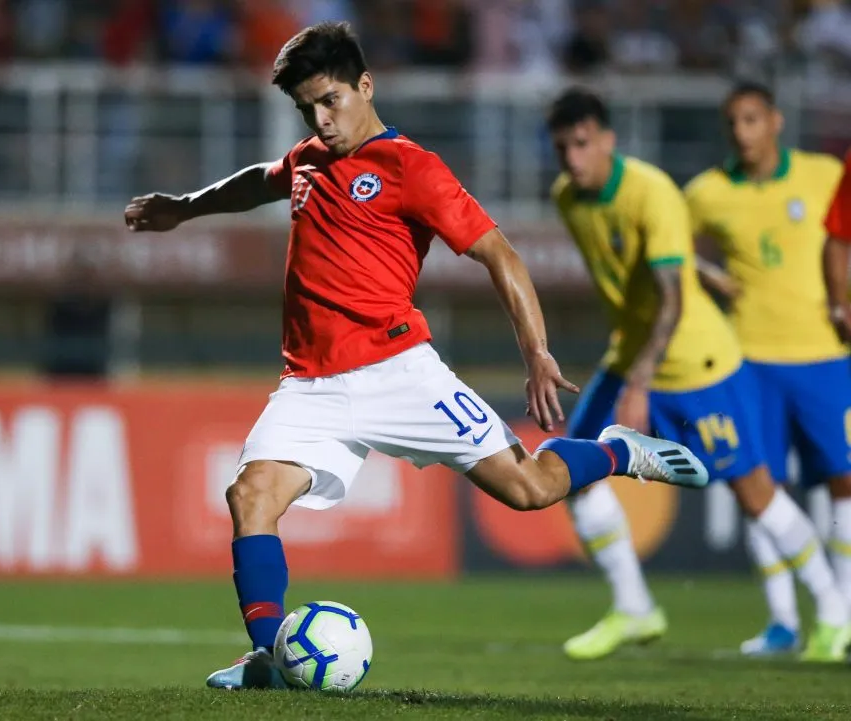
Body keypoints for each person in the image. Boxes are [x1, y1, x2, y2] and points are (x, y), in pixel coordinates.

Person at [124, 23, 710, 690]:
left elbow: (500, 255)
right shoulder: (310, 158)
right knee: (249, 496)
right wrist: (185, 207)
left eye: (331, 100)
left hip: (399, 373)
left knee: (530, 489)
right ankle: (268, 656)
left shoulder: (412, 167)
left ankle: (616, 450)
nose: (321, 118)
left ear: (366, 86)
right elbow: (259, 181)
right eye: (307, 108)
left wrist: (537, 352)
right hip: (310, 384)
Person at [547, 87, 851, 663]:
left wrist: (640, 381)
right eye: (562, 147)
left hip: (698, 363)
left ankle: (833, 614)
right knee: (571, 467)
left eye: (582, 145)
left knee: (757, 493)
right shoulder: (568, 198)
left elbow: (672, 302)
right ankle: (634, 607)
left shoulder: (652, 191)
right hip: (631, 356)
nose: (572, 159)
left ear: (608, 140)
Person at [688, 83, 851, 657]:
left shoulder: (824, 173)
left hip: (826, 354)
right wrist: (710, 276)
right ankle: (783, 621)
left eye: (752, 119)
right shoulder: (707, 192)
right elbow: (669, 248)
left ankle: (844, 616)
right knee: (757, 484)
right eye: (733, 121)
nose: (742, 131)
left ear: (776, 122)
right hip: (747, 360)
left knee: (844, 481)